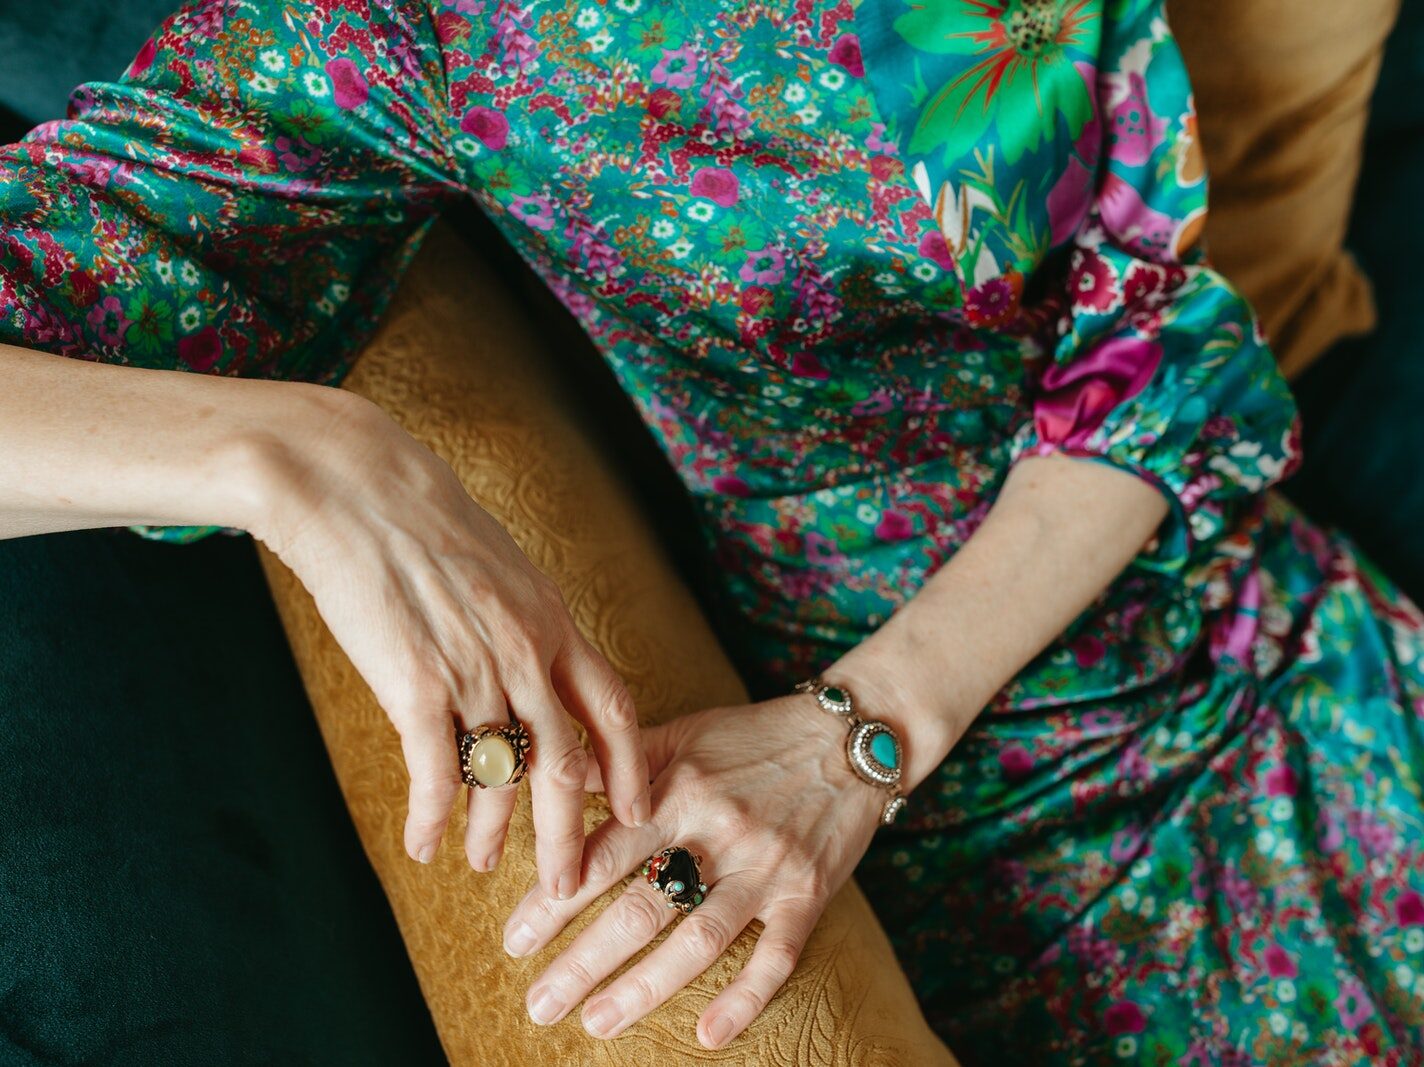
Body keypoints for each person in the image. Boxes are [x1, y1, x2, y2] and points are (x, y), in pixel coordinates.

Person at [2, 0, 1420, 1062]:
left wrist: (863, 736)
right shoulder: (412, 31)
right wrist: (294, 454)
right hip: (1008, 838)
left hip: (1276, 642)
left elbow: (1163, 342)